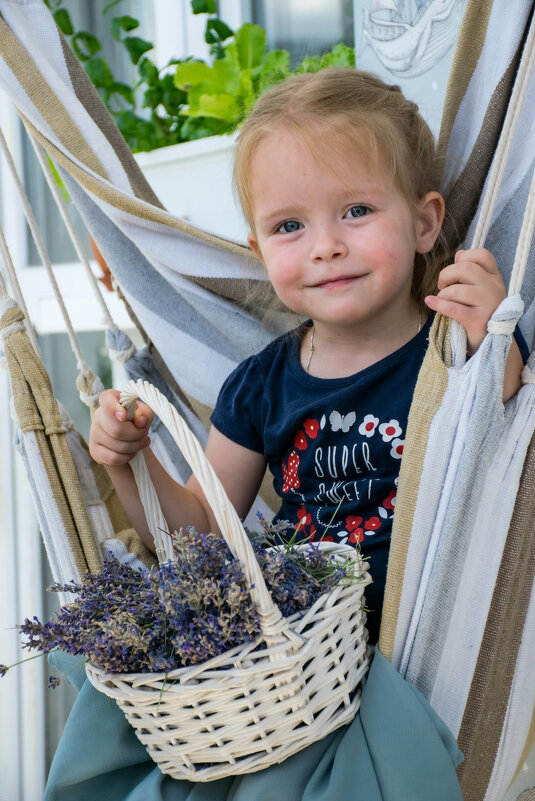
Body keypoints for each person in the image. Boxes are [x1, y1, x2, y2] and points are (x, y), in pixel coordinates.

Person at [89, 68, 524, 644]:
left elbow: (508, 431)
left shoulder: (456, 346)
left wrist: (496, 335)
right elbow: (199, 535)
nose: (326, 247)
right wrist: (129, 460)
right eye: (289, 226)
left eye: (357, 211)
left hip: (433, 637)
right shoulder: (260, 386)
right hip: (297, 652)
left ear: (424, 223)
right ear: (260, 250)